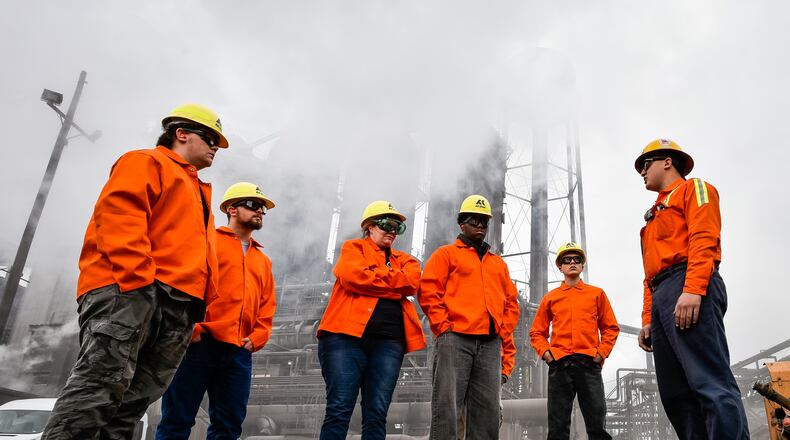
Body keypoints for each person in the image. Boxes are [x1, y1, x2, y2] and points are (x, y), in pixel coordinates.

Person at [42, 104, 228, 439]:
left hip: (177, 305)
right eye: (210, 137)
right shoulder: (147, 162)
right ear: (181, 133)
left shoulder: (198, 190)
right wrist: (138, 282)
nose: (216, 146)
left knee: (130, 405)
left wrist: (196, 309)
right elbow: (120, 216)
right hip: (133, 293)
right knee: (97, 388)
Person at [635, 139, 749, 439]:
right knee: (677, 396)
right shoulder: (651, 218)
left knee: (709, 382)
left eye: (645, 165)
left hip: (687, 282)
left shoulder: (693, 189)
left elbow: (703, 238)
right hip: (663, 294)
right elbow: (649, 275)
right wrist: (648, 318)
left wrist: (694, 289)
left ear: (668, 162)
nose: (642, 173)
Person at [156, 182, 277, 439]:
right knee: (177, 419)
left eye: (263, 209)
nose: (260, 212)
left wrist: (257, 338)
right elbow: (186, 283)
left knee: (229, 425)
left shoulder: (262, 260)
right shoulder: (209, 241)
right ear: (232, 209)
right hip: (199, 344)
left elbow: (267, 304)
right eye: (254, 205)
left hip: (238, 351)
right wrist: (192, 328)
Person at [317, 201, 426, 440]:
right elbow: (352, 277)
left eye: (397, 227)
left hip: (389, 344)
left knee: (377, 413)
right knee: (339, 409)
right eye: (386, 224)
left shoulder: (406, 261)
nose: (392, 231)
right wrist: (392, 285)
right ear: (369, 226)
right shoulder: (352, 248)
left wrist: (372, 277)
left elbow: (411, 283)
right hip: (345, 339)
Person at [419, 194, 520, 440]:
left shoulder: (498, 264)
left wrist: (501, 332)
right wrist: (444, 328)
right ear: (462, 223)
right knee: (448, 409)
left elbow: (511, 303)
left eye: (485, 222)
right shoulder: (446, 255)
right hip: (455, 340)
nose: (481, 227)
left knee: (487, 414)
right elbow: (429, 292)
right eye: (475, 221)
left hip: (489, 343)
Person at [529, 242, 619, 440]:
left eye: (577, 260)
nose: (572, 263)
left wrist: (600, 354)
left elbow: (611, 327)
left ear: (582, 266)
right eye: (567, 260)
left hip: (589, 364)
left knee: (597, 425)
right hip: (560, 365)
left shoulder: (596, 294)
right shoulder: (550, 298)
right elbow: (537, 332)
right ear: (560, 266)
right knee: (558, 427)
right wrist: (547, 354)